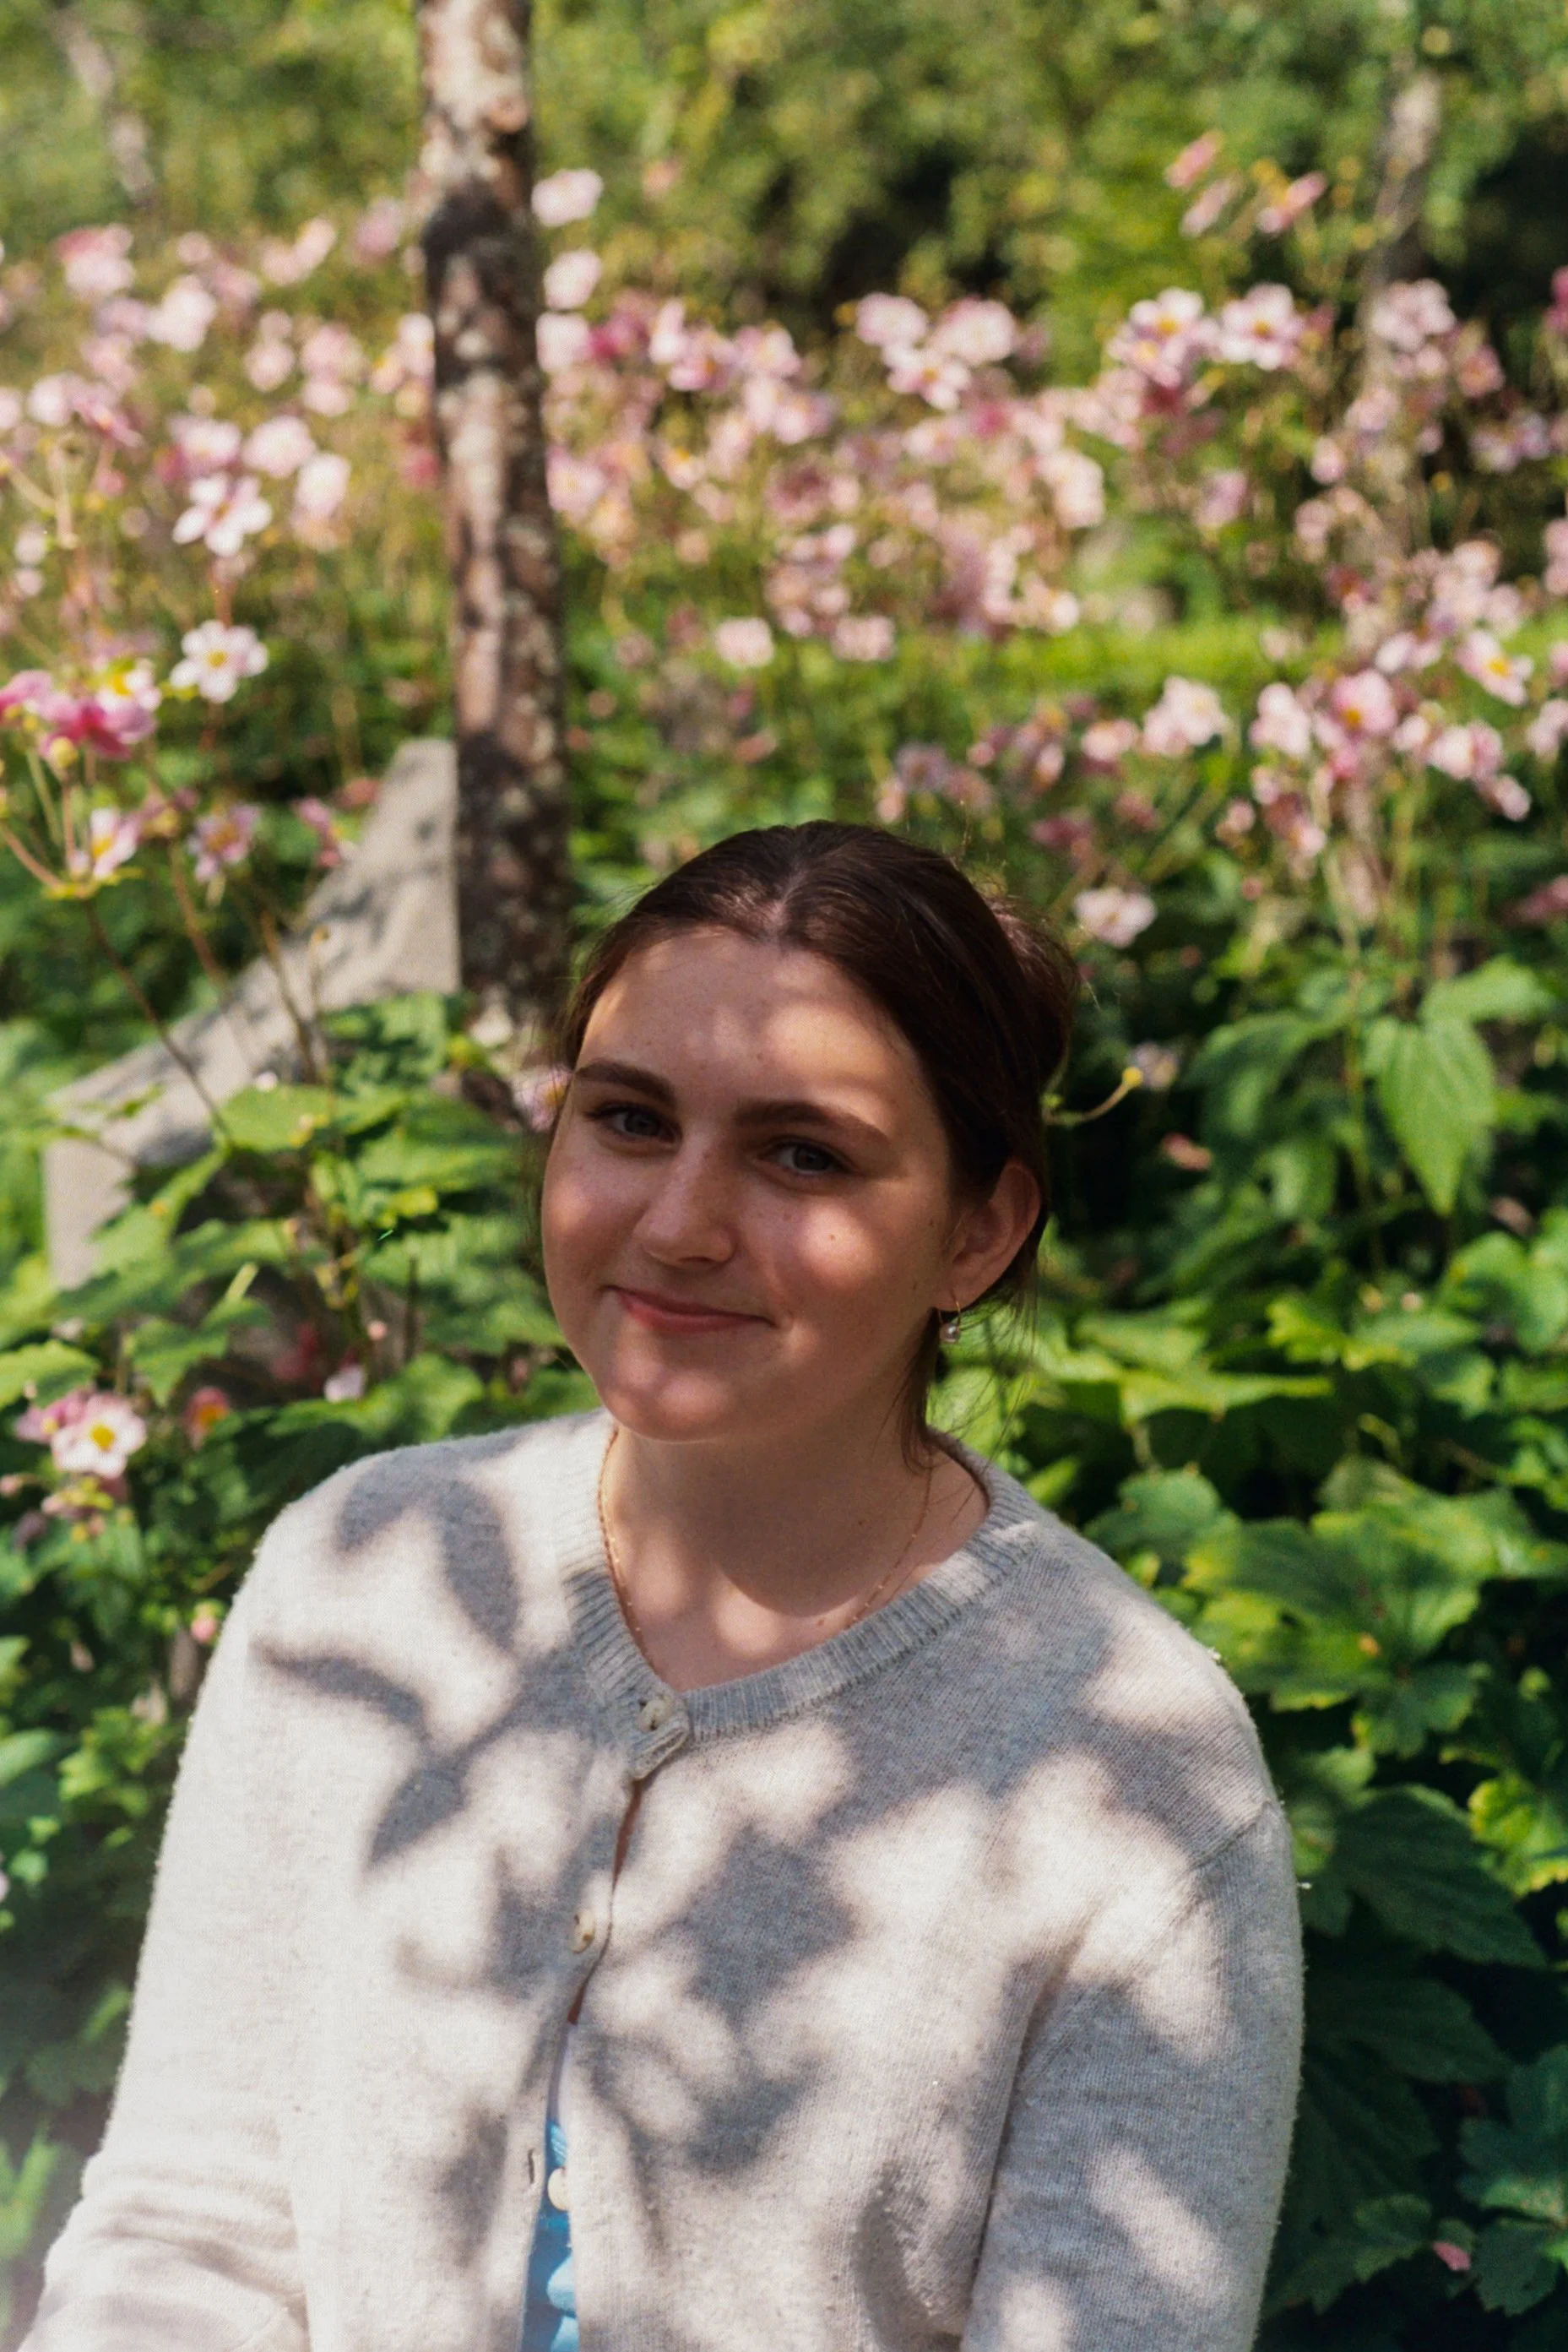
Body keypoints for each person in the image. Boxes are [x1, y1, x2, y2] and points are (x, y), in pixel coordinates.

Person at [24, 821, 1302, 2352]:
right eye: (630, 1119)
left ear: (977, 1233)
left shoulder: (1130, 1777)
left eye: (801, 1154)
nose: (682, 1224)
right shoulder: (354, 1584)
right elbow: (193, 2225)